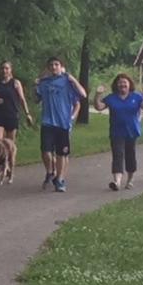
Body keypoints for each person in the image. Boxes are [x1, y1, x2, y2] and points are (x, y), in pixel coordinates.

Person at [35, 56, 87, 192]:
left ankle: (60, 179)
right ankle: (50, 171)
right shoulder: (44, 83)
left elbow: (83, 95)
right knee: (46, 151)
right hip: (47, 122)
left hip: (63, 123)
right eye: (51, 65)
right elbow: (36, 99)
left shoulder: (67, 82)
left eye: (56, 64)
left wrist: (73, 79)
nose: (53, 67)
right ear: (48, 68)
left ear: (61, 66)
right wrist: (36, 85)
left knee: (61, 153)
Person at [94, 73, 143, 190]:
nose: (122, 84)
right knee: (117, 156)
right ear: (116, 85)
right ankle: (117, 182)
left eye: (124, 82)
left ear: (129, 84)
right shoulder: (111, 98)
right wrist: (97, 95)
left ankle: (130, 180)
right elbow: (99, 107)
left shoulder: (136, 97)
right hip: (116, 132)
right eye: (120, 82)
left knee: (130, 156)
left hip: (132, 132)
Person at [0, 60, 33, 141]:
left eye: (7, 68)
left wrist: (27, 114)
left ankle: (10, 154)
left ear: (10, 70)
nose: (4, 70)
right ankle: (0, 154)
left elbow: (22, 99)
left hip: (11, 115)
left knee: (10, 144)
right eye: (2, 68)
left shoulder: (15, 83)